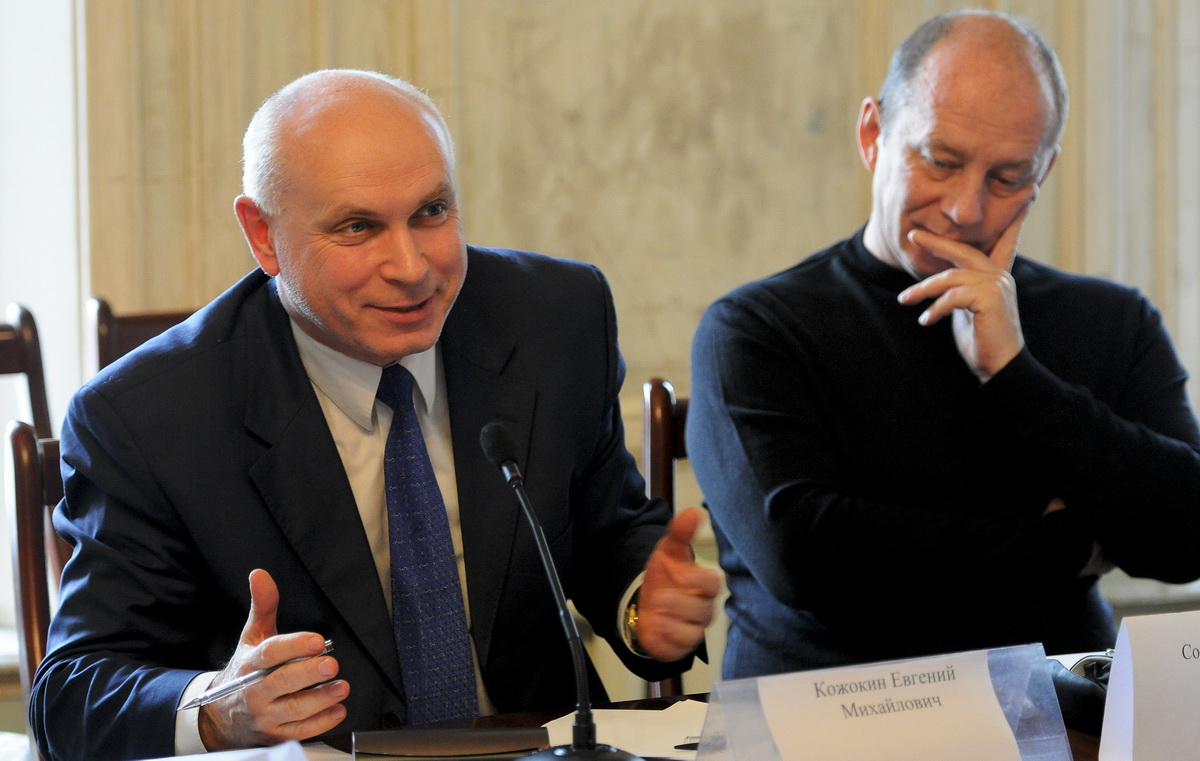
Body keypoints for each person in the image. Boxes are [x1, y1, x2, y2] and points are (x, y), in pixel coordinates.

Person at [30, 69, 720, 761]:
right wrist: (218, 710)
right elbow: (71, 694)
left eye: (431, 212)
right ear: (263, 235)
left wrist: (643, 602)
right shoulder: (148, 416)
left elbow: (606, 531)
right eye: (358, 227)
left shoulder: (554, 317)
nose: (412, 266)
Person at [688, 9, 1200, 680]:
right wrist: (1068, 543)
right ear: (872, 135)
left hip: (1062, 713)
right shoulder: (757, 328)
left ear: (1044, 173)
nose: (966, 209)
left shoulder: (1111, 319)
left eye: (1007, 178)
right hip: (831, 710)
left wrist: (1015, 374)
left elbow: (1185, 539)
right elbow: (807, 559)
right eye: (941, 161)